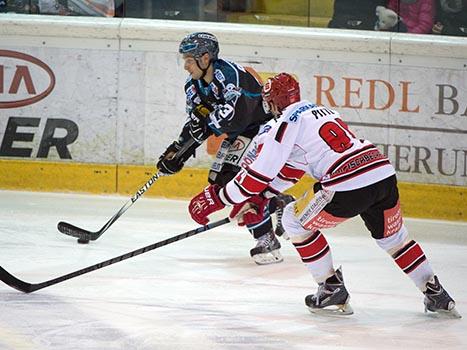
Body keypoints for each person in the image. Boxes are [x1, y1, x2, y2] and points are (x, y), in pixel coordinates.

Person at [187, 72, 461, 318]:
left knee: (293, 222)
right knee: (395, 240)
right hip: (381, 174)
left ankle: (330, 288)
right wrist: (263, 198)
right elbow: (294, 169)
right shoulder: (321, 111)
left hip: (345, 184)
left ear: (274, 102)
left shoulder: (285, 123)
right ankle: (436, 293)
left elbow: (257, 174)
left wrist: (217, 199)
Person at [157, 32, 294, 265]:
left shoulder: (230, 75)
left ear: (206, 57)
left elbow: (237, 117)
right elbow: (196, 123)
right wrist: (178, 151)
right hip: (242, 132)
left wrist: (206, 125)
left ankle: (266, 240)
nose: (186, 67)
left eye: (189, 60)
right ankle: (277, 202)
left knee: (234, 181)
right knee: (218, 180)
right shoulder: (193, 86)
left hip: (263, 128)